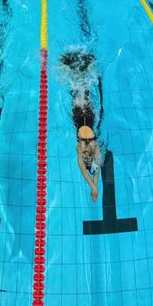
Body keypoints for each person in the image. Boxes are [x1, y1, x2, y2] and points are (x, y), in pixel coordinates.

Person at [59, 51, 103, 202]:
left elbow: (84, 171)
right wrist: (95, 186)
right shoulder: (94, 147)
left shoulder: (80, 149)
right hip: (89, 115)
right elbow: (96, 170)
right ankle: (84, 64)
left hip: (77, 116)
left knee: (76, 91)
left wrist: (93, 187)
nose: (87, 158)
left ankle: (72, 66)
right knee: (85, 91)